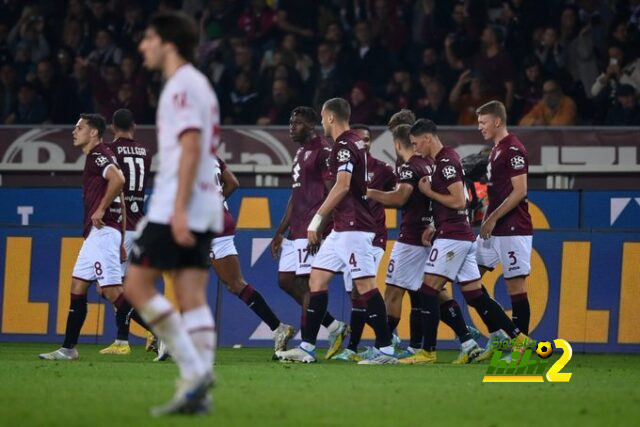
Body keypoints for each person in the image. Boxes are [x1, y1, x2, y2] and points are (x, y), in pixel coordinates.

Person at [123, 12, 224, 416]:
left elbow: (192, 144)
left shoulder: (180, 85)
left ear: (168, 43)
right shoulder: (198, 84)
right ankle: (198, 393)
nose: (142, 45)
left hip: (175, 206)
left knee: (136, 285)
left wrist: (178, 209)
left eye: (148, 37)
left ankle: (195, 369)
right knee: (190, 296)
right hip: (204, 204)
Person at [275, 98, 396, 365]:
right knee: (316, 281)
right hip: (342, 228)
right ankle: (307, 347)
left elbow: (341, 186)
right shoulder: (352, 143)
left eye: (322, 117)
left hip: (355, 228)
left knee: (365, 287)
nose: (321, 122)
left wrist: (316, 221)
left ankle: (386, 350)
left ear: (330, 117)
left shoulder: (344, 144)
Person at [400, 119, 529, 365]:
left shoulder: (446, 162)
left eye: (416, 144)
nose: (416, 149)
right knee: (475, 295)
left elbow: (459, 201)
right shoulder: (444, 160)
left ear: (427, 138)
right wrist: (435, 224)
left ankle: (427, 351)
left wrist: (428, 193)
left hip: (453, 237)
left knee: (428, 289)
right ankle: (518, 338)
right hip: (460, 235)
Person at [365, 124, 482, 364]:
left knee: (393, 292)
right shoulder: (431, 163)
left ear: (398, 144)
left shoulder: (410, 166)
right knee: (435, 291)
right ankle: (467, 341)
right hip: (432, 233)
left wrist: (369, 193)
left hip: (412, 238)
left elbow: (401, 197)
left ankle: (383, 348)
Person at [38, 113, 128, 361]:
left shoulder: (98, 154)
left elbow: (118, 180)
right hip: (99, 234)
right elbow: (120, 196)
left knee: (111, 291)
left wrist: (100, 210)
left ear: (94, 133)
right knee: (78, 287)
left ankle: (163, 335)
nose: (74, 131)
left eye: (79, 127)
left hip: (102, 232)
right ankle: (68, 348)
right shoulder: (99, 155)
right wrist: (121, 238)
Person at [271, 107, 348, 359]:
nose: (292, 126)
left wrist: (321, 225)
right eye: (291, 122)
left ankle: (307, 346)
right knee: (285, 281)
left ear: (313, 125)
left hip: (312, 229)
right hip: (296, 230)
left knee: (308, 285)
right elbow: (295, 197)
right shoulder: (300, 152)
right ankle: (334, 326)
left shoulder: (323, 150)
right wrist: (280, 231)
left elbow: (332, 190)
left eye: (298, 123)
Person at [210, 158, 295, 356]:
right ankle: (278, 328)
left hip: (206, 225)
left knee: (182, 276)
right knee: (235, 284)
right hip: (220, 221)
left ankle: (168, 336)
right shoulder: (211, 155)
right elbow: (233, 182)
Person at [475, 100, 534, 361]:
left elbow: (520, 191)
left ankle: (521, 351)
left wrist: (492, 218)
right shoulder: (496, 150)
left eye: (483, 122)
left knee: (516, 288)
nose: (480, 127)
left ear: (497, 121)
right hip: (494, 228)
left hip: (512, 228)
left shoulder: (513, 149)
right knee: (469, 280)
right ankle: (499, 335)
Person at [332, 123, 396, 362]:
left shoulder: (383, 169)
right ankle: (358, 347)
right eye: (360, 139)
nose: (364, 143)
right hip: (350, 233)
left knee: (362, 288)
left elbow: (400, 194)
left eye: (368, 139)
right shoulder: (344, 168)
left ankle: (380, 342)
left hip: (374, 236)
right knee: (354, 293)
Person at [100, 108, 152, 355]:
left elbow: (111, 183)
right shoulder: (145, 151)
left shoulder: (110, 151)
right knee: (121, 288)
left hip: (121, 225)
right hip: (139, 223)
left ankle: (144, 334)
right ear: (134, 126)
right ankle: (124, 339)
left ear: (112, 127)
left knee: (111, 288)